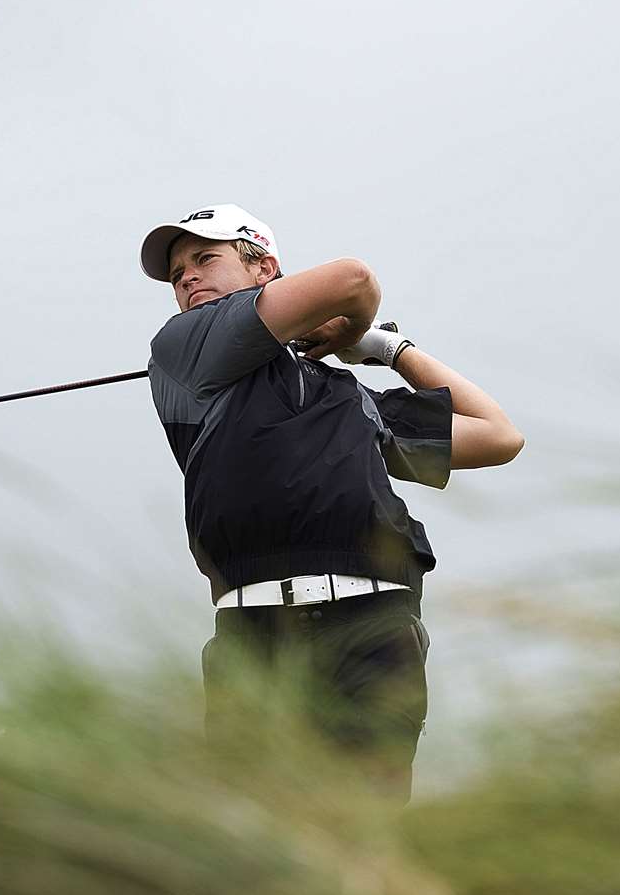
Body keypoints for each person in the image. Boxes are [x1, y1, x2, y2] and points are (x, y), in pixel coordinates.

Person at [140, 203, 524, 803]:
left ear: (264, 269)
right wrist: (343, 327)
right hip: (257, 629)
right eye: (177, 272)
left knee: (369, 834)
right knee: (258, 841)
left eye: (205, 258)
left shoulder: (351, 399)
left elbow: (500, 436)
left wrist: (387, 348)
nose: (186, 277)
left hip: (374, 626)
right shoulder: (184, 350)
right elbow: (353, 281)